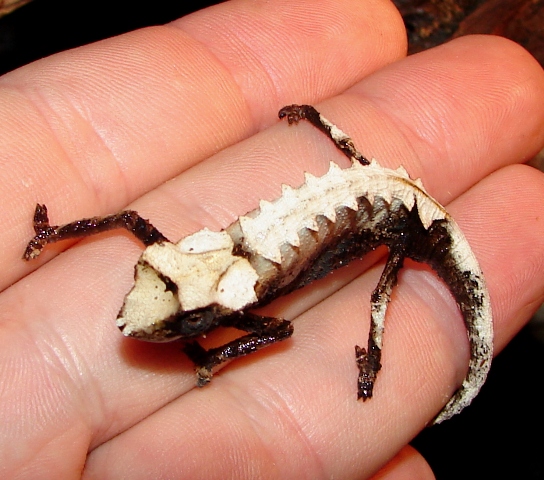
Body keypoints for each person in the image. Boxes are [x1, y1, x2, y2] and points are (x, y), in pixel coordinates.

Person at [1, 0, 543, 478]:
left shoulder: (247, 297)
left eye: (187, 319)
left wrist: (213, 356)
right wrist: (52, 235)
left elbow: (278, 329)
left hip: (400, 215)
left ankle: (385, 361)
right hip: (372, 193)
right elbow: (129, 219)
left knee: (381, 295)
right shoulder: (227, 278)